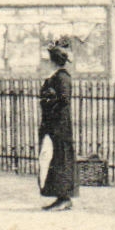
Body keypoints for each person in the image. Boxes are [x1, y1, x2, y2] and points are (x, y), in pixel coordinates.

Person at [38, 38, 77, 211]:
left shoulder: (62, 78)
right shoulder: (55, 77)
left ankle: (65, 198)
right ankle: (59, 196)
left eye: (49, 60)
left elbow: (63, 101)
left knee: (60, 159)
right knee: (52, 159)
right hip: (52, 125)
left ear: (54, 61)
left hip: (60, 126)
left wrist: (49, 103)